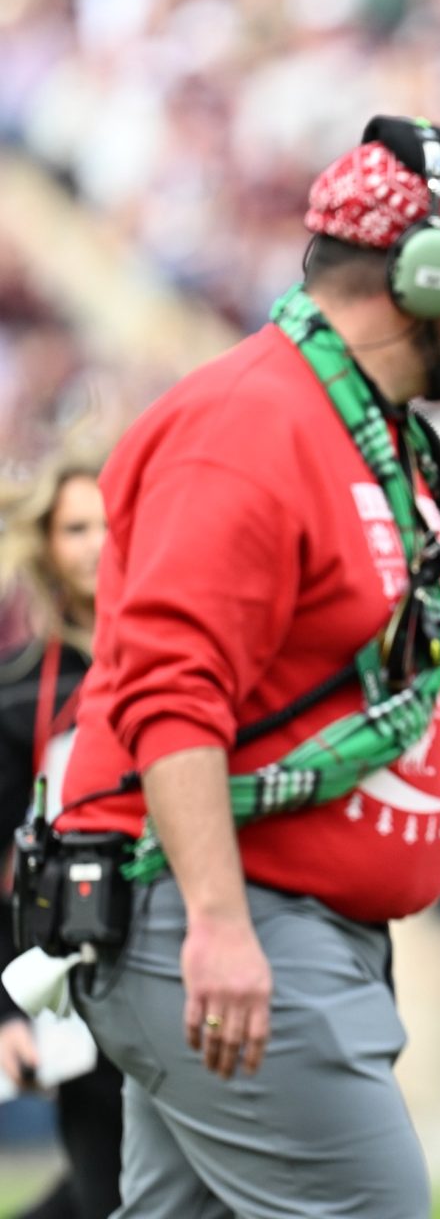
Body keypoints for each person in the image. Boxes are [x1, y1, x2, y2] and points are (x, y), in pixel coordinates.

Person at [54, 116, 440, 1218]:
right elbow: (172, 694)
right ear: (424, 272)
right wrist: (216, 925)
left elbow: (431, 745)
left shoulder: (381, 445)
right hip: (230, 917)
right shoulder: (247, 427)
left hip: (285, 928)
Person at [0, 456, 120, 1219]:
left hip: (180, 963)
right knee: (110, 1186)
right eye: (78, 528)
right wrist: (8, 1011)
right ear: (46, 546)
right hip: (71, 980)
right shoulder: (17, 697)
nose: (98, 545)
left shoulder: (187, 668)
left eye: (111, 524)